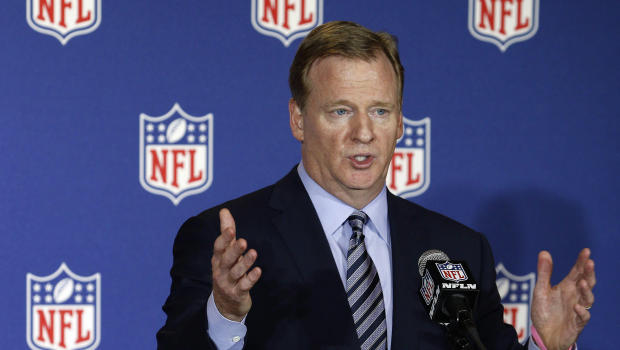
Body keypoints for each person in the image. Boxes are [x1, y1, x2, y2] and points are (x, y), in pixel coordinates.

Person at [157, 21, 596, 350]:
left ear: (402, 120)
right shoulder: (229, 241)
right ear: (298, 119)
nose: (364, 132)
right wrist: (226, 315)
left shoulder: (457, 248)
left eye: (381, 111)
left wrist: (547, 346)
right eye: (342, 111)